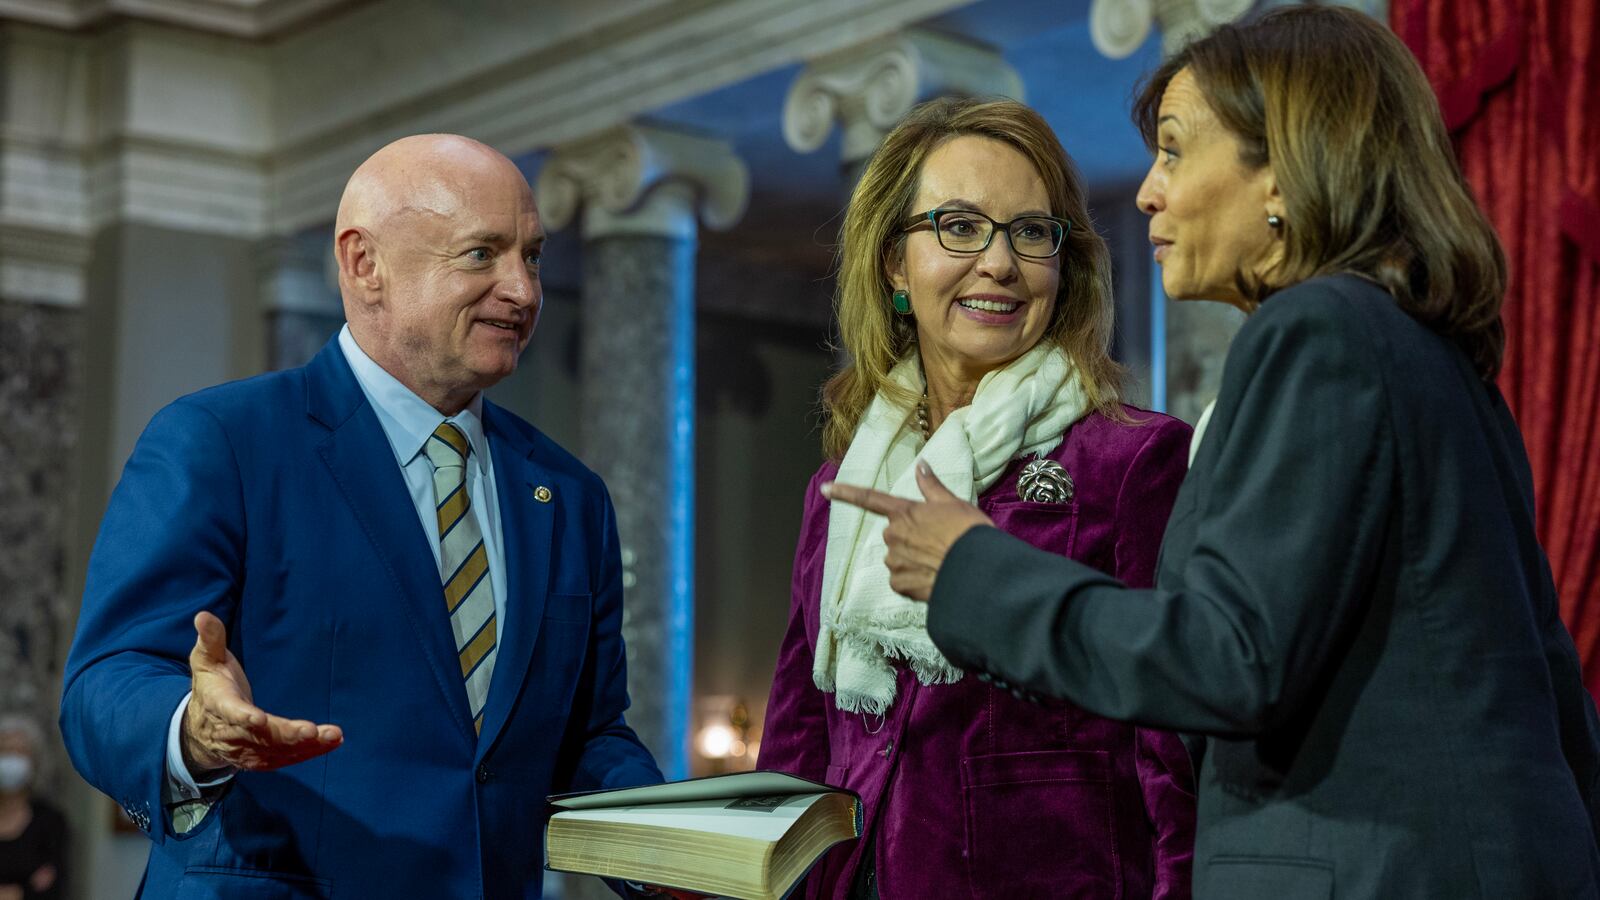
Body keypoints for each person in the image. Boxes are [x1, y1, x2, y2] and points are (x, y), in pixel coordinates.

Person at [824, 7, 1600, 898]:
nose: (1148, 192)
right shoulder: (1422, 351)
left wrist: (971, 569)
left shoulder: (1319, 333)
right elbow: (1553, 691)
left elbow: (1232, 657)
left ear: (1283, 172)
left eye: (1175, 151)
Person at [59, 134, 664, 899]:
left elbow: (589, 736)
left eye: (533, 256)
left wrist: (682, 860)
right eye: (482, 255)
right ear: (363, 264)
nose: (522, 290)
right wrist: (194, 731)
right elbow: (106, 681)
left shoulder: (568, 495)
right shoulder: (224, 442)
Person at [759, 97, 1196, 900]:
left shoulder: (1132, 458)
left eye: (1030, 232)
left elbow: (1170, 748)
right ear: (895, 265)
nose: (998, 262)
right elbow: (798, 735)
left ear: (1064, 268)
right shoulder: (841, 481)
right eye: (959, 226)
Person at [0, 715, 66, 900]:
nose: (12, 758)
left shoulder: (50, 822)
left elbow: (53, 889)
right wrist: (23, 890)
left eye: (20, 751)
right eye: (5, 750)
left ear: (35, 762)